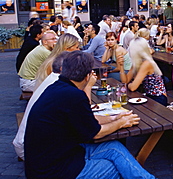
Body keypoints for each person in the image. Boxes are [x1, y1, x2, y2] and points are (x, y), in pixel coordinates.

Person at [24, 51, 154, 179]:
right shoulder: (73, 95)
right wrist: (121, 123)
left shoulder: (57, 87)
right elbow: (96, 133)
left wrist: (115, 117)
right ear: (87, 76)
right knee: (118, 168)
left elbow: (85, 119)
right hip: (54, 170)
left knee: (114, 147)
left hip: (50, 159)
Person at [14, 52, 69, 160]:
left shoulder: (53, 78)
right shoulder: (60, 86)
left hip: (25, 142)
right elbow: (88, 126)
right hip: (33, 150)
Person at [119, 37, 167, 106]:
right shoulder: (138, 62)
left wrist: (128, 85)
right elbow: (125, 81)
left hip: (158, 98)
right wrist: (121, 66)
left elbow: (132, 87)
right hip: (149, 96)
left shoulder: (147, 63)